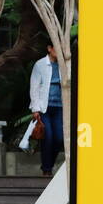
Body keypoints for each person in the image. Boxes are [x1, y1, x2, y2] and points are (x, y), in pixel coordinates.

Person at [29, 44, 65, 177]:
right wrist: (35, 109)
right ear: (49, 48)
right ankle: (46, 169)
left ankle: (48, 164)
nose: (59, 50)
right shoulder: (40, 65)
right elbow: (34, 87)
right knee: (48, 137)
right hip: (44, 108)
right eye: (57, 47)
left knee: (59, 139)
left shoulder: (64, 65)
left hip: (60, 107)